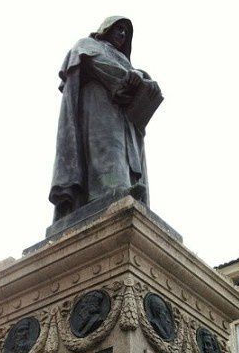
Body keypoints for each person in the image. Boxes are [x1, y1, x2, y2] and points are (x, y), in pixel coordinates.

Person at [50, 16, 162, 221]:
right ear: (106, 29)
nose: (122, 34)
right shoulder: (88, 44)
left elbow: (132, 77)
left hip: (125, 119)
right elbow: (96, 62)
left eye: (125, 31)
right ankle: (109, 192)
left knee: (125, 155)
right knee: (107, 149)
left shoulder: (125, 61)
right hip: (99, 106)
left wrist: (144, 80)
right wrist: (129, 77)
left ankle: (123, 189)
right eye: (118, 28)